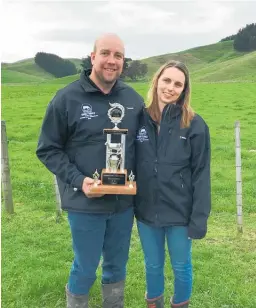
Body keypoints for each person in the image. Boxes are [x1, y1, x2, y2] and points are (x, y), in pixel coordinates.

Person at [36, 33, 144, 308]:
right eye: (106, 53)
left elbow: (144, 148)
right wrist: (79, 181)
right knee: (85, 267)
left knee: (117, 266)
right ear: (93, 57)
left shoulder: (133, 100)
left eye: (118, 56)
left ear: (123, 61)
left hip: (123, 204)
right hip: (85, 203)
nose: (112, 61)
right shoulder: (67, 98)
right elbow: (48, 148)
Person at [135, 60, 211, 308]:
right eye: (167, 80)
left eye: (178, 84)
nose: (170, 87)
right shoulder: (139, 119)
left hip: (180, 213)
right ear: (157, 81)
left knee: (181, 266)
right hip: (146, 212)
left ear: (184, 90)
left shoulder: (195, 125)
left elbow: (201, 174)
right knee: (153, 265)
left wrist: (199, 217)